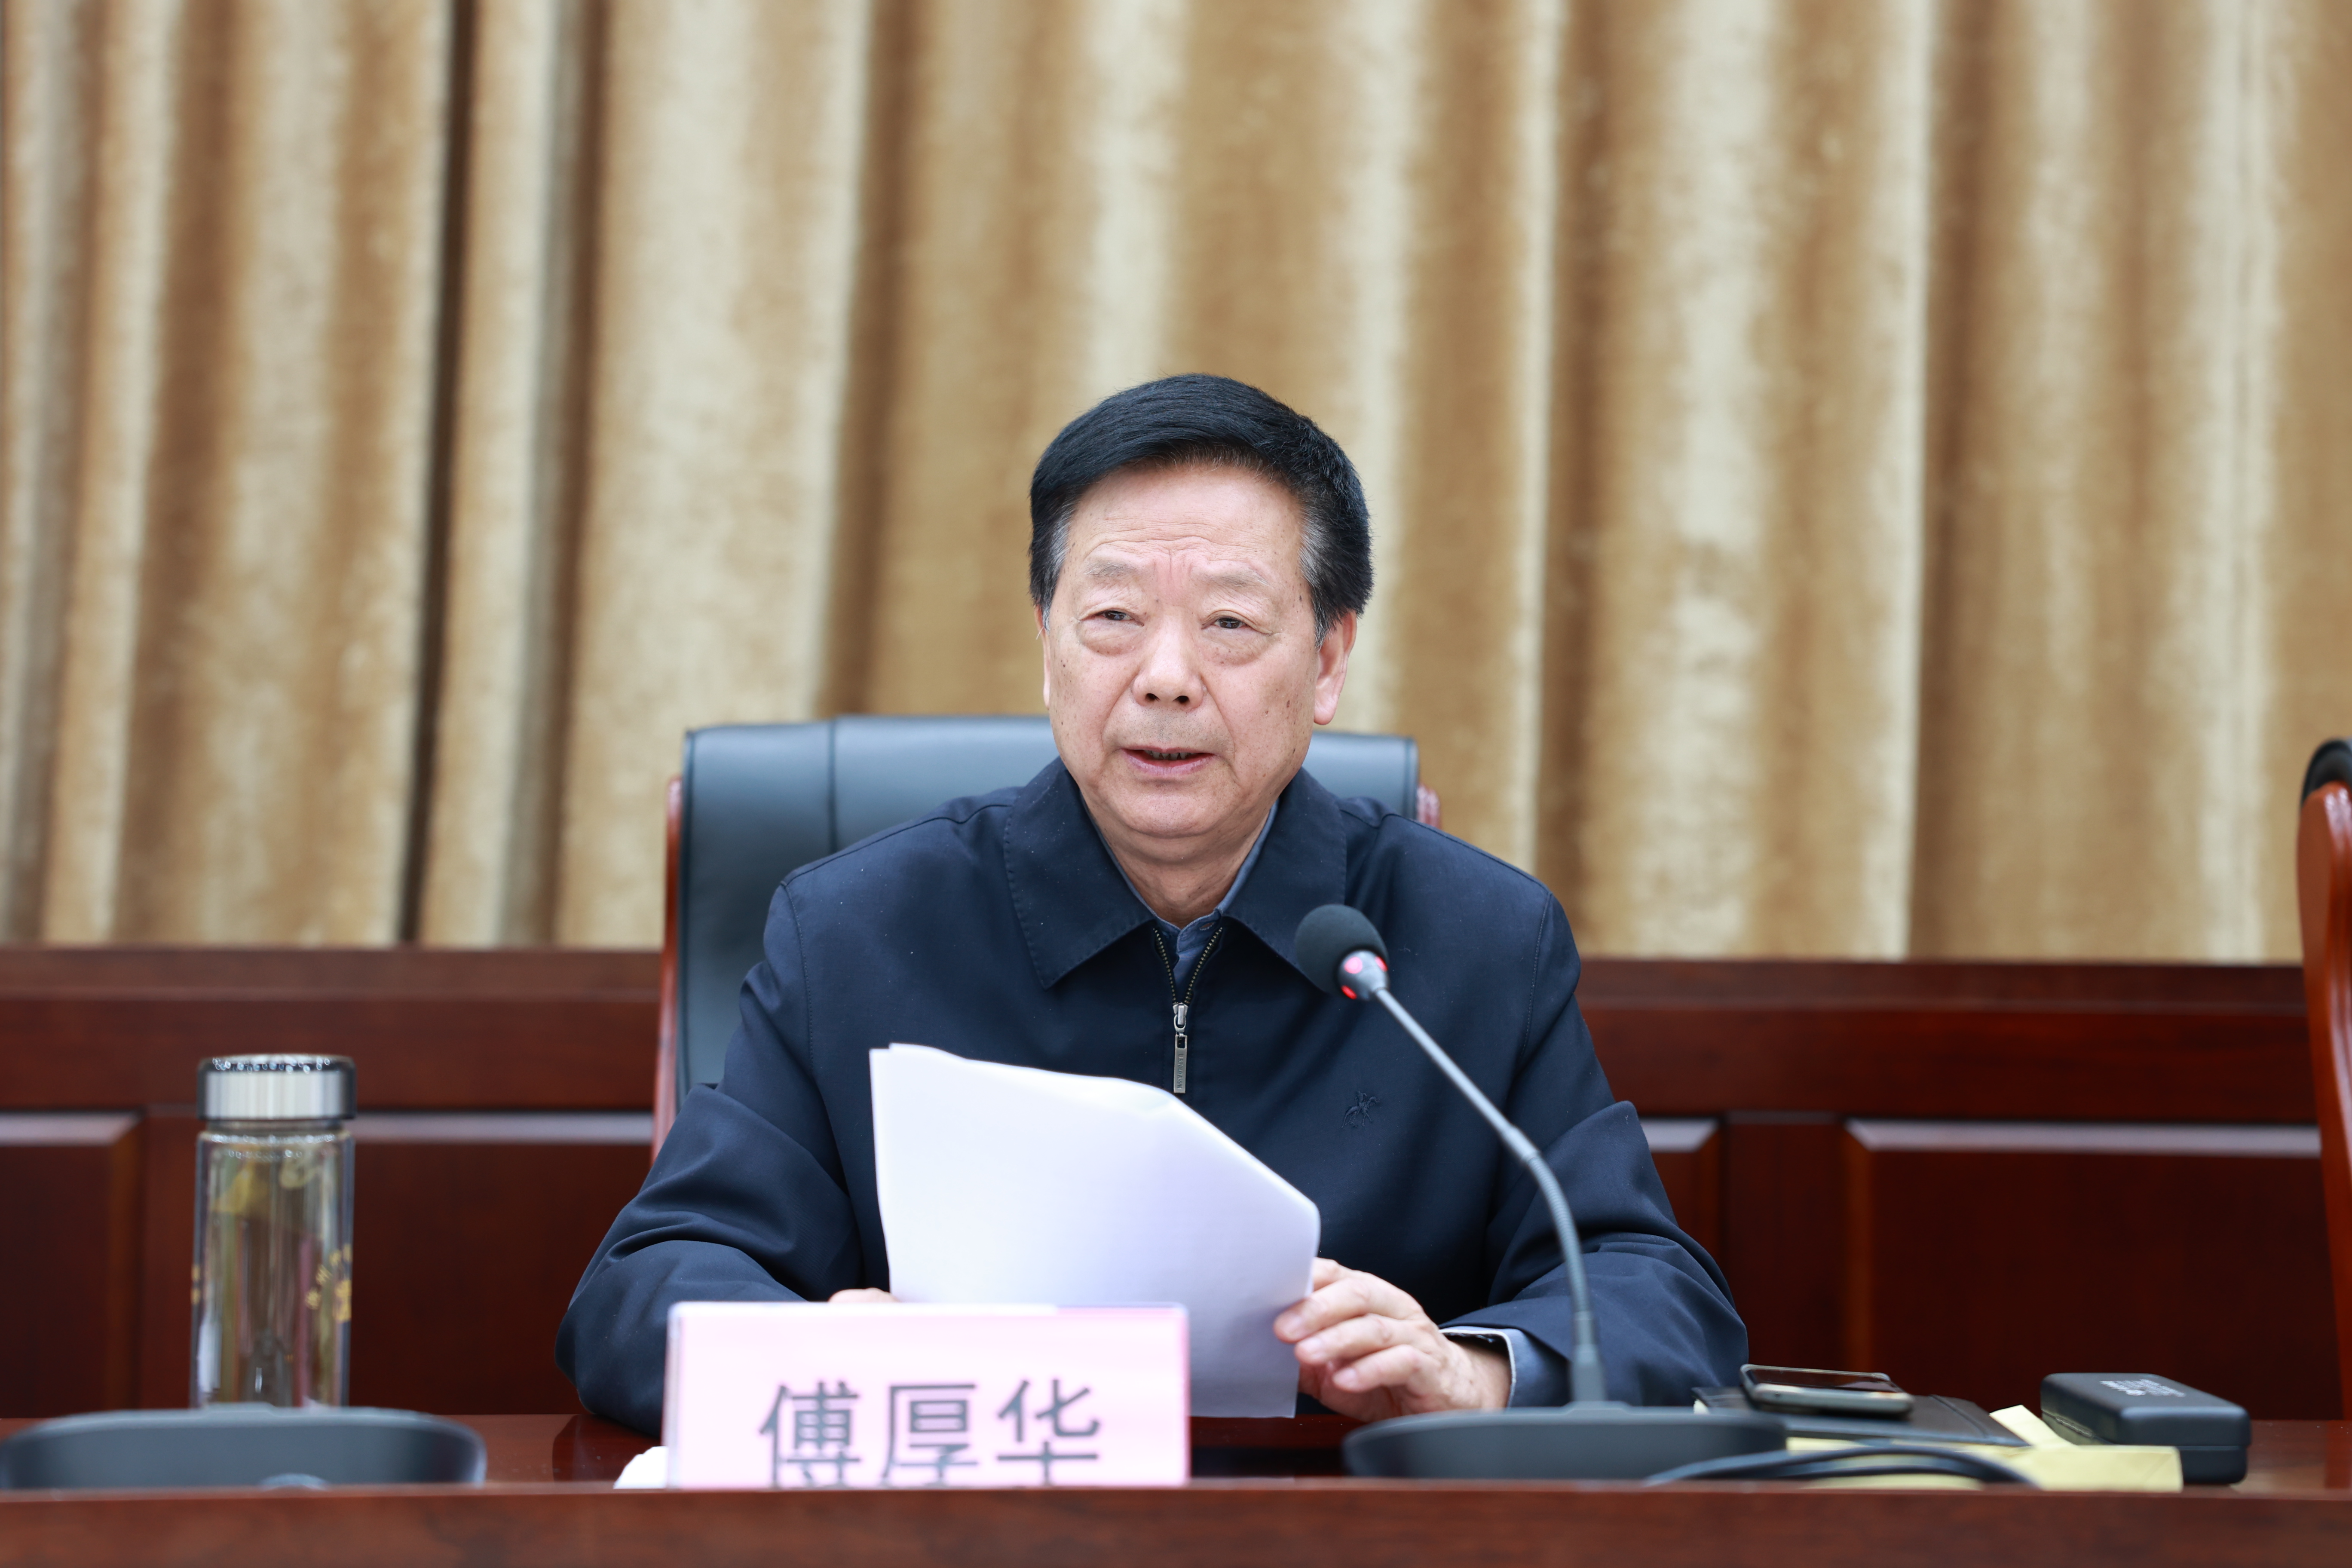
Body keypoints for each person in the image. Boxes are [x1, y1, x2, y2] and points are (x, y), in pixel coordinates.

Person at [558, 374, 1746, 1433]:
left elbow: (1653, 1292)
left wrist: (1470, 1374)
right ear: (1048, 647)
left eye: (1230, 625)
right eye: (1114, 619)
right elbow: (642, 1291)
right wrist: (818, 1348)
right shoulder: (859, 929)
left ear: (1329, 661)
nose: (1166, 678)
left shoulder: (1474, 939)